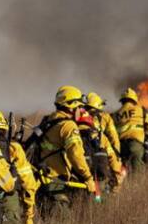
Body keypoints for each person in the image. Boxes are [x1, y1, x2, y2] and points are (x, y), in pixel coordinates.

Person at [28, 85, 100, 216]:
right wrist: (88, 177)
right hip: (56, 183)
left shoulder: (48, 120)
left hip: (41, 181)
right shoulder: (68, 126)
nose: (81, 110)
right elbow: (76, 155)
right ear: (71, 106)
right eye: (79, 107)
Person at [83, 93, 126, 190]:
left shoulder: (76, 116)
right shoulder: (105, 118)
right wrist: (117, 155)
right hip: (99, 153)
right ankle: (110, 195)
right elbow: (113, 137)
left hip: (80, 160)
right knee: (110, 177)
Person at [114, 88, 148, 172]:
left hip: (121, 146)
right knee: (138, 170)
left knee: (122, 171)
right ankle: (137, 184)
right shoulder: (140, 110)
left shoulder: (116, 114)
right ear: (134, 100)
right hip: (136, 145)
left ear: (122, 101)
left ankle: (125, 184)